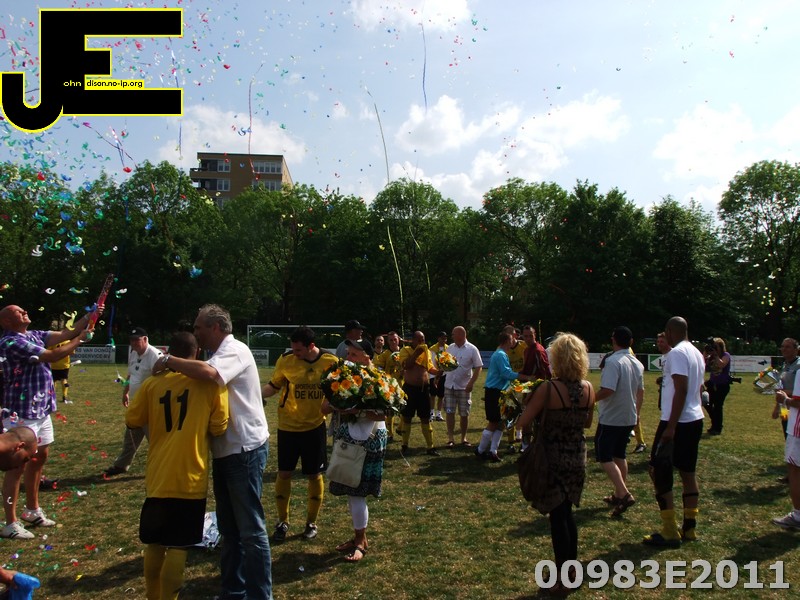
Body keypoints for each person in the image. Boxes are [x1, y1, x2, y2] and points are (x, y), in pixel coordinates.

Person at [154, 304, 272, 600]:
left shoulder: (235, 350)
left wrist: (168, 360)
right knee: (229, 530)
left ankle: (260, 596)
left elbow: (208, 373)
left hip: (244, 450)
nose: (195, 333)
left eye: (199, 328)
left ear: (216, 327)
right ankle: (233, 591)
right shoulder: (217, 354)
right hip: (225, 451)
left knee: (251, 531)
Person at [127, 332, 229, 600]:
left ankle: (152, 596)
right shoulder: (211, 385)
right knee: (179, 546)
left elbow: (132, 419)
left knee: (155, 542)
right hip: (190, 475)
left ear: (168, 353)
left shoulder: (152, 384)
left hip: (158, 475)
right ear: (197, 353)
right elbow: (219, 427)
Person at [0, 303, 99, 539]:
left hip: (41, 409)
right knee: (16, 467)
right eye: (18, 312)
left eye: (24, 310)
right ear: (6, 321)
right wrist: (81, 339)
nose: (25, 312)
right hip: (20, 413)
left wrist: (90, 315)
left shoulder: (33, 335)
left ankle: (32, 510)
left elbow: (65, 333)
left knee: (39, 458)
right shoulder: (11, 342)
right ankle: (10, 523)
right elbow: (54, 355)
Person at [517, 333, 595, 596]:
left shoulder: (548, 389)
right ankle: (571, 571)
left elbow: (523, 422)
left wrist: (528, 403)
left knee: (557, 518)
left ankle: (562, 578)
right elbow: (587, 423)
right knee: (567, 514)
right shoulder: (588, 388)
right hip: (577, 456)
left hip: (552, 458)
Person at [261, 327, 337, 543]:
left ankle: (311, 522)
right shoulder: (286, 360)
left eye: (298, 350)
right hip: (288, 426)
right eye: (293, 349)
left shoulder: (330, 362)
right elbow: (273, 386)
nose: (294, 353)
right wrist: (255, 395)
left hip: (315, 427)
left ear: (311, 346)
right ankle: (282, 521)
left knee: (314, 475)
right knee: (284, 473)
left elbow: (338, 389)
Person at [322, 338, 387, 562]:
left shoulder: (378, 378)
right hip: (348, 438)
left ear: (367, 356)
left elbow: (383, 414)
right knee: (352, 492)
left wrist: (358, 409)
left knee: (357, 492)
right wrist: (337, 403)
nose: (348, 358)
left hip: (369, 439)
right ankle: (359, 537)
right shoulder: (341, 376)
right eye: (348, 354)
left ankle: (360, 541)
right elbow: (324, 407)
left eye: (354, 354)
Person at [643, 316, 705, 547]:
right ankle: (689, 527)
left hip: (677, 421)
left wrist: (671, 426)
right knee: (688, 473)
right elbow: (698, 387)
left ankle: (669, 529)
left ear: (670, 331)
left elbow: (681, 389)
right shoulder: (696, 353)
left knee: (658, 471)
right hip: (694, 418)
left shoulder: (677, 353)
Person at [595, 326, 644, 516]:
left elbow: (608, 390)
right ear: (631, 342)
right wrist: (636, 413)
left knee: (604, 456)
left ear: (613, 340)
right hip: (628, 416)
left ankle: (623, 493)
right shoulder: (637, 363)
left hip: (612, 417)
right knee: (619, 455)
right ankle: (618, 493)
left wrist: (590, 399)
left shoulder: (613, 361)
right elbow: (640, 391)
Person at [103, 327, 163, 477]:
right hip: (137, 403)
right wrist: (126, 392)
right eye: (132, 340)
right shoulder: (134, 353)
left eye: (137, 339)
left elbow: (161, 381)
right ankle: (121, 465)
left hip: (150, 405)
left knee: (155, 439)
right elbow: (131, 374)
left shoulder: (155, 355)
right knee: (131, 435)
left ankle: (163, 467)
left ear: (145, 339)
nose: (134, 343)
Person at [476, 332, 528, 462]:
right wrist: (524, 377)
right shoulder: (500, 355)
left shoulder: (501, 354)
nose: (513, 342)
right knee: (494, 422)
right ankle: (480, 450)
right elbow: (506, 373)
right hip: (495, 392)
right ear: (506, 341)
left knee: (501, 423)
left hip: (500, 391)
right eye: (511, 340)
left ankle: (493, 451)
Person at [772, 347, 800, 530]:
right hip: (789, 417)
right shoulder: (786, 365)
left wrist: (783, 399)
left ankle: (798, 516)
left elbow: (797, 401)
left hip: (797, 427)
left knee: (795, 469)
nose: (784, 349)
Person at [398, 331, 439, 455]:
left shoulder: (426, 351)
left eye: (423, 340)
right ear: (413, 340)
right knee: (407, 417)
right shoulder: (405, 350)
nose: (422, 342)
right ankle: (404, 445)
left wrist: (439, 371)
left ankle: (430, 447)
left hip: (423, 389)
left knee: (425, 418)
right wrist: (416, 353)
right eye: (419, 340)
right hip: (409, 389)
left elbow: (429, 367)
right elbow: (406, 365)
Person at [443, 326, 483, 447]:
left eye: (453, 334)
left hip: (464, 387)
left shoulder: (472, 349)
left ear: (461, 335)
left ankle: (463, 438)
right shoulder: (450, 348)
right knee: (449, 412)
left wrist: (471, 383)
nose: (452, 336)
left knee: (464, 414)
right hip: (450, 386)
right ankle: (451, 438)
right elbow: (444, 363)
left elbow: (479, 367)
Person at [374, 331, 403, 441]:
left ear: (398, 340)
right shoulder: (385, 354)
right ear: (388, 341)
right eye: (391, 340)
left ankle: (400, 428)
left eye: (395, 339)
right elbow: (378, 367)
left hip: (403, 384)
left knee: (405, 409)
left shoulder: (404, 352)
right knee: (390, 411)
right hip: (390, 386)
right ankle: (390, 434)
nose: (393, 342)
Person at [502, 326, 527, 451]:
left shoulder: (523, 346)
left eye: (511, 335)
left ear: (515, 335)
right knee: (509, 411)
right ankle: (510, 440)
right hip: (509, 384)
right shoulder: (502, 350)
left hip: (524, 383)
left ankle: (520, 433)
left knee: (524, 409)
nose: (509, 338)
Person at [773, 338, 800, 442]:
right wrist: (777, 408)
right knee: (787, 433)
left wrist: (786, 392)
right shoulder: (785, 365)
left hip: (796, 407)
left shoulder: (799, 365)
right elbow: (781, 388)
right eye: (782, 346)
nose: (784, 349)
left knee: (795, 437)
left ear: (796, 350)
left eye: (788, 347)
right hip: (785, 406)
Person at [703, 337, 731, 435]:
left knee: (718, 406)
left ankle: (717, 427)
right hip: (712, 383)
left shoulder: (726, 355)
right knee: (706, 403)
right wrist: (705, 353)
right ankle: (715, 422)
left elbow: (721, 365)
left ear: (720, 347)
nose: (714, 348)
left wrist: (715, 355)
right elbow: (703, 364)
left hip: (722, 385)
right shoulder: (711, 356)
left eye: (715, 347)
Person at [428, 331, 448, 422]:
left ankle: (439, 414)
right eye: (442, 338)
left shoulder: (448, 348)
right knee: (432, 394)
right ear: (438, 338)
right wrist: (437, 373)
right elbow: (431, 363)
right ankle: (431, 413)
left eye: (445, 338)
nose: (444, 340)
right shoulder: (432, 349)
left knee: (441, 395)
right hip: (434, 374)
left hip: (444, 374)